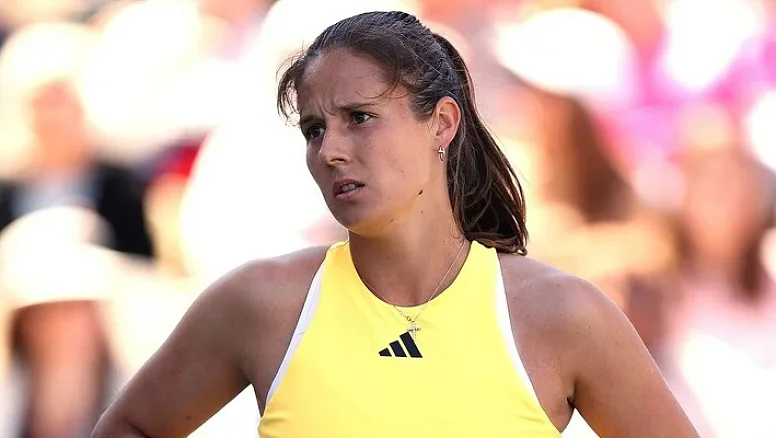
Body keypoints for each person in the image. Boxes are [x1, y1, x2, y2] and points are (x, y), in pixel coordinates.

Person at [91, 11, 699, 438]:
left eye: (359, 117)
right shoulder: (258, 304)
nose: (330, 151)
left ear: (442, 123)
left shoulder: (562, 314)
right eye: (314, 129)